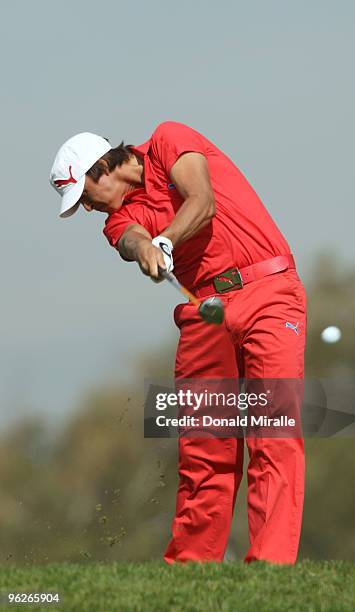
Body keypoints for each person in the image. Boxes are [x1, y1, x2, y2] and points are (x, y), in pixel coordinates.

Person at [49, 121, 307, 564]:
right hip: (204, 313)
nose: (89, 209)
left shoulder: (168, 140)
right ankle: (191, 570)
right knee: (205, 450)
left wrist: (166, 240)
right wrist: (145, 248)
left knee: (273, 435)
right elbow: (130, 239)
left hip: (269, 290)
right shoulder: (117, 221)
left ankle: (271, 565)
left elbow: (202, 201)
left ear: (100, 169)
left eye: (86, 197)